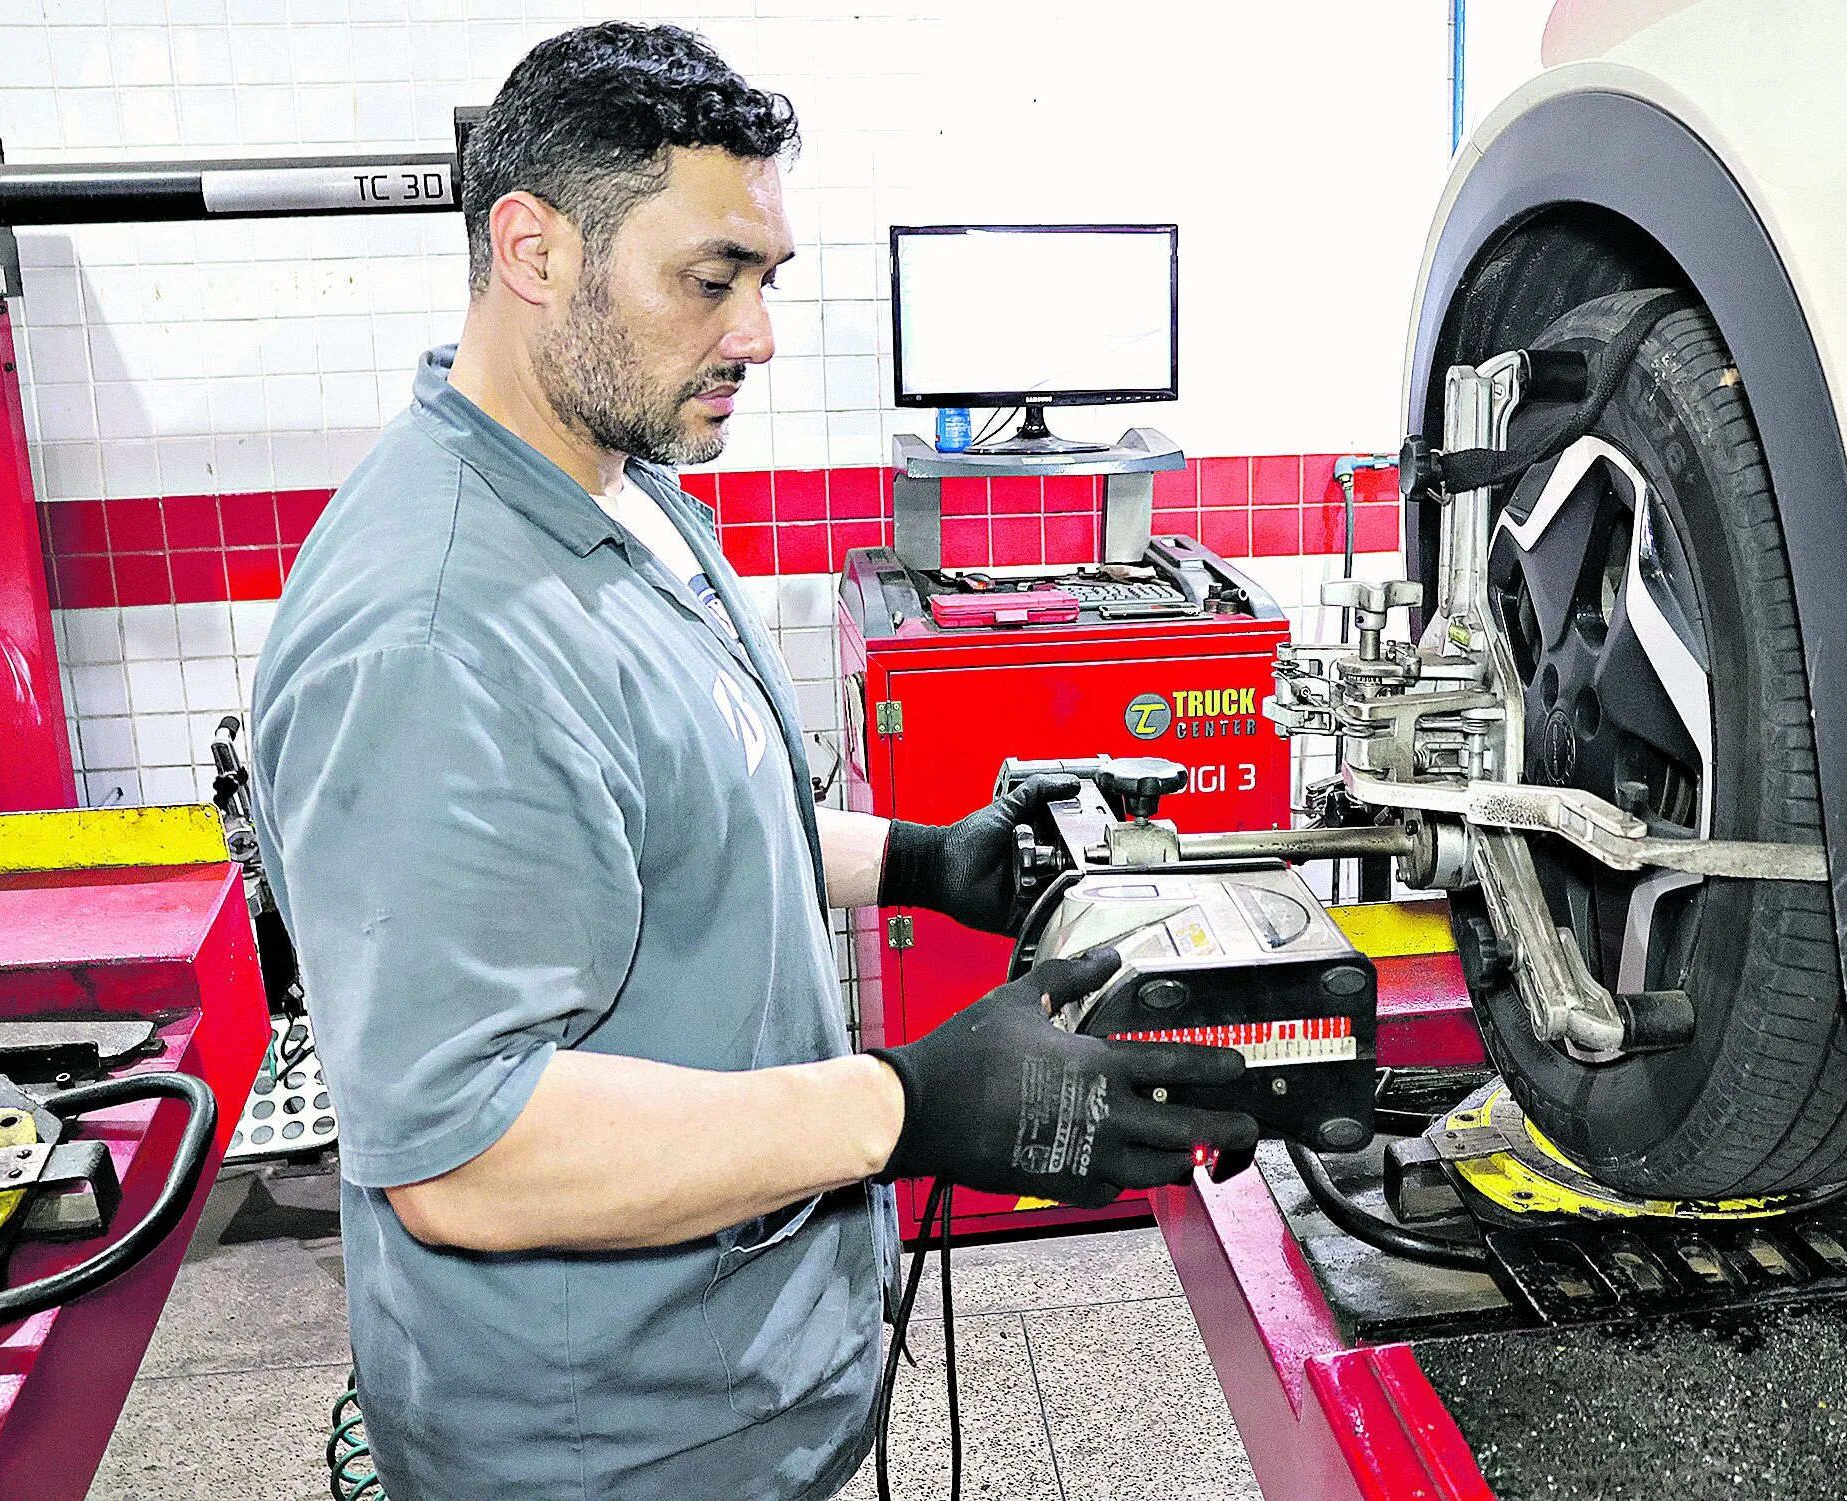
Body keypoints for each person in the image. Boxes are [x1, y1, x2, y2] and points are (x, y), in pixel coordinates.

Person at [248, 23, 1258, 1501]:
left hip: (751, 1375)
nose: (759, 335)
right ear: (534, 252)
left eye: (764, 279)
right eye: (710, 279)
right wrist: (907, 1104)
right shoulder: (432, 636)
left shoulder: (625, 492)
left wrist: (927, 857)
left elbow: (702, 819)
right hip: (609, 1445)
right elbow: (468, 1157)